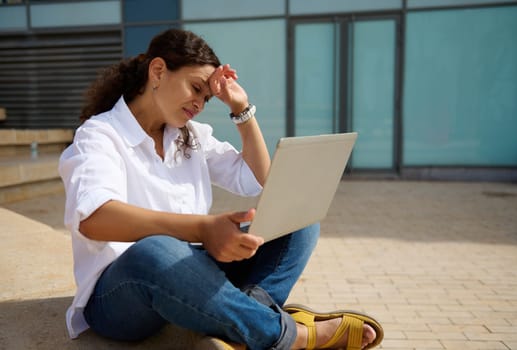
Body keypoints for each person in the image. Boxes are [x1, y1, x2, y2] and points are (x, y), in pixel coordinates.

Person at [59, 28, 383, 350]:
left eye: (205, 98)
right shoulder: (100, 135)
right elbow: (94, 218)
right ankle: (292, 335)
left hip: (188, 270)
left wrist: (241, 108)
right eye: (195, 88)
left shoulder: (191, 135)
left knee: (298, 219)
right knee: (156, 249)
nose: (199, 104)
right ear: (158, 71)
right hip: (120, 294)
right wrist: (202, 228)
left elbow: (259, 178)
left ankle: (243, 326)